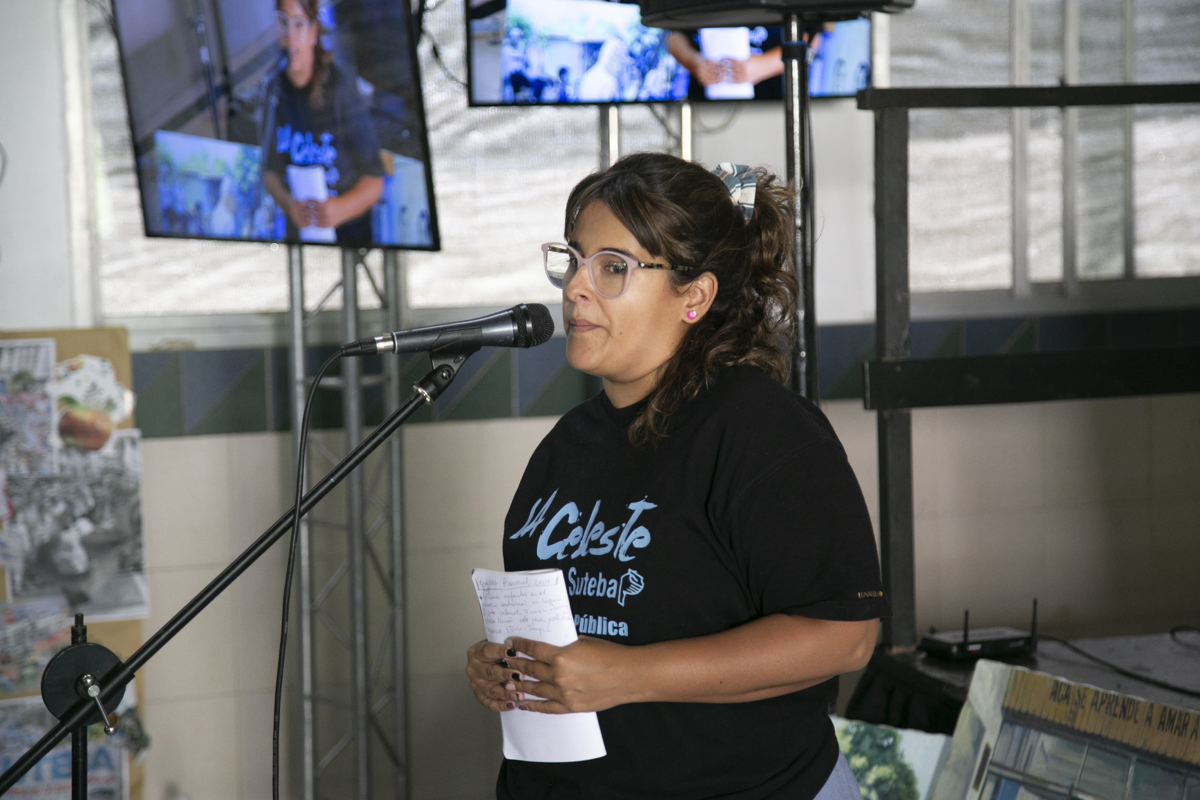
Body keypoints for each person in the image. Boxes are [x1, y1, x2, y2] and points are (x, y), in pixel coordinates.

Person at [465, 153, 889, 800]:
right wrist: (503, 666)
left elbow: (845, 636)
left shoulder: (761, 431)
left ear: (694, 296)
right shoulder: (565, 445)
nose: (575, 288)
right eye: (573, 260)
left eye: (613, 268)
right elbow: (569, 635)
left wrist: (631, 675)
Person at [262, 0, 384, 244]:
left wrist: (340, 209)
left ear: (313, 31)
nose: (290, 35)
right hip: (302, 238)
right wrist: (289, 204)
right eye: (283, 23)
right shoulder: (273, 91)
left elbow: (375, 180)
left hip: (350, 237)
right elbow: (269, 171)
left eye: (299, 24)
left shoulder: (340, 88)